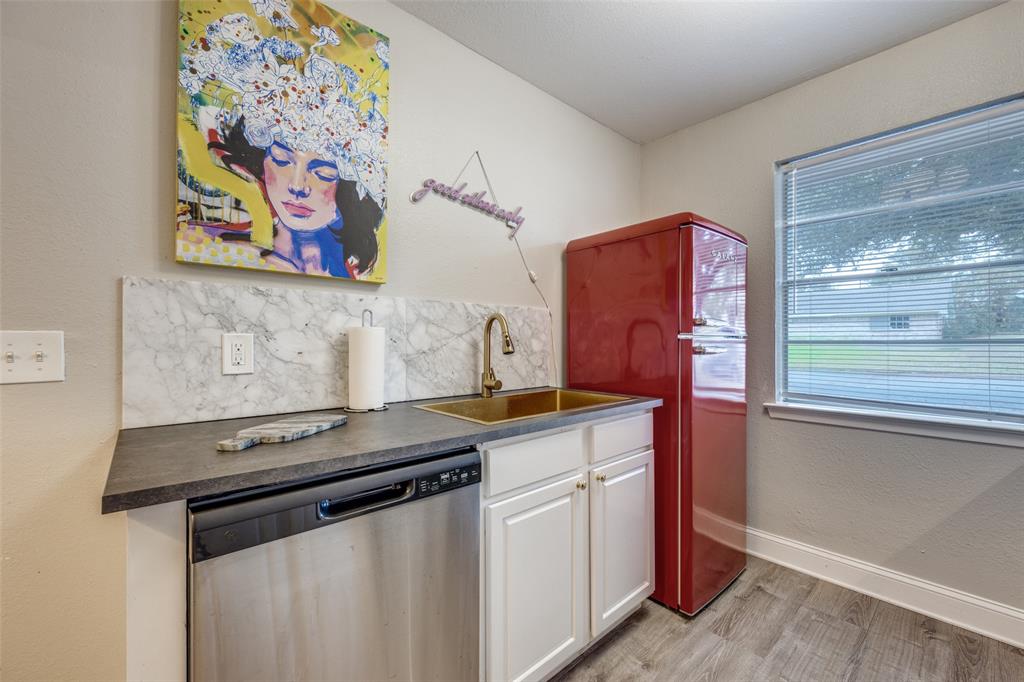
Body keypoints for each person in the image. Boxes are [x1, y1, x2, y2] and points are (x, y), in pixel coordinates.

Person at [209, 117, 383, 278]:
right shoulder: (221, 250)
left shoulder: (352, 274)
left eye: (323, 173)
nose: (297, 186)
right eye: (281, 160)